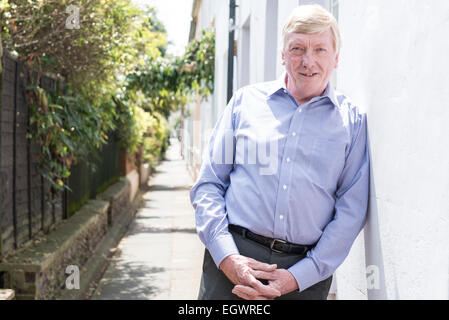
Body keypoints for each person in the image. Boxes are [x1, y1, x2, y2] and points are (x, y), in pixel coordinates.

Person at [190, 4, 369, 300]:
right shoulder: (244, 103)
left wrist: (298, 277)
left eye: (320, 50)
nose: (307, 61)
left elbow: (351, 211)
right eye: (297, 48)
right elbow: (209, 184)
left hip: (305, 278)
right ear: (283, 55)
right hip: (232, 266)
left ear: (336, 57)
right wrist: (227, 257)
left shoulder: (352, 123)